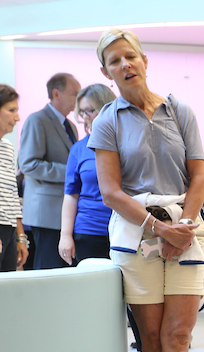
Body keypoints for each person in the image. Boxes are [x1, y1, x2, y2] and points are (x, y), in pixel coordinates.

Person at [90, 28, 204, 352]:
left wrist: (183, 227)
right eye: (115, 61)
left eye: (131, 56)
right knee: (154, 337)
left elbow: (199, 175)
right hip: (136, 233)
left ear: (144, 60)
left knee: (178, 335)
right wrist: (159, 229)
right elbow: (111, 192)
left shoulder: (180, 111)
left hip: (184, 229)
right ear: (106, 72)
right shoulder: (107, 121)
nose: (125, 65)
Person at [17, 72, 80, 270]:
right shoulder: (37, 120)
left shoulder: (70, 126)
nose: (77, 99)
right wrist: (70, 173)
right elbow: (29, 164)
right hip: (45, 213)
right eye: (74, 93)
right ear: (56, 93)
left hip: (64, 212)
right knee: (48, 269)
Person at [59, 83, 118, 265]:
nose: (85, 117)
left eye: (90, 111)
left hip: (123, 229)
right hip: (89, 230)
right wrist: (65, 235)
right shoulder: (79, 149)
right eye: (82, 112)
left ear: (106, 108)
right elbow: (71, 195)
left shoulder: (127, 145)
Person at [0, 84, 27, 272]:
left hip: (9, 229)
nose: (17, 118)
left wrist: (20, 237)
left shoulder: (8, 148)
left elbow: (11, 195)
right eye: (11, 110)